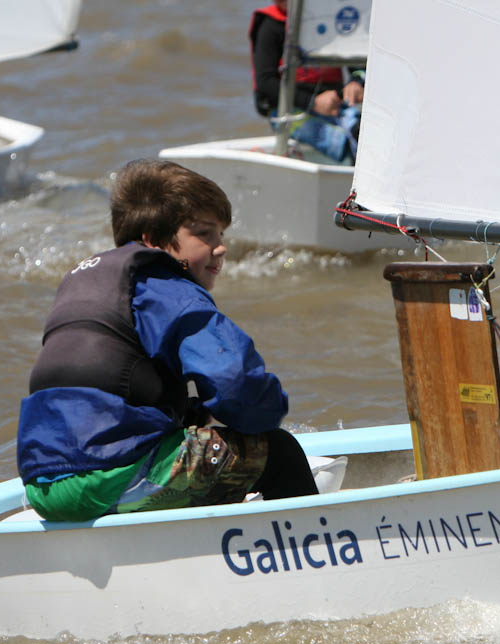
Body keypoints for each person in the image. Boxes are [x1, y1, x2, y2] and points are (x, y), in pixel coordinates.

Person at [16, 159, 319, 522]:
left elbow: (106, 387)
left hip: (44, 484)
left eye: (221, 234)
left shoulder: (87, 282)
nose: (221, 247)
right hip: (112, 474)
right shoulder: (168, 286)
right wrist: (265, 415)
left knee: (194, 439)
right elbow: (234, 380)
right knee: (279, 452)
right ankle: (314, 542)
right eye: (204, 233)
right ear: (153, 240)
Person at [250, 0, 363, 162]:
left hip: (336, 105)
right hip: (289, 111)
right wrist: (313, 102)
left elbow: (358, 67)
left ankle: (360, 142)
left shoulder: (333, 16)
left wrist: (356, 82)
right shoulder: (271, 25)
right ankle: (348, 152)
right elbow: (265, 82)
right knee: (331, 138)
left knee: (360, 127)